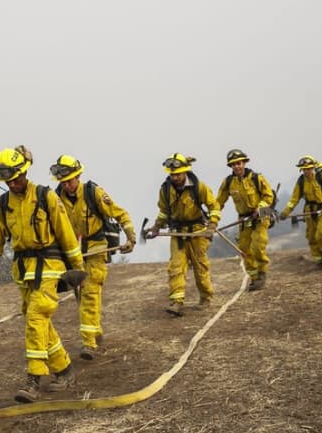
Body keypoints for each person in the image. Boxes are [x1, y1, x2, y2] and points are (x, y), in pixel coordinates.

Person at [0, 145, 85, 403]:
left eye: (16, 178)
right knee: (40, 323)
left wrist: (78, 269)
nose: (13, 183)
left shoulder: (45, 197)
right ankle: (65, 370)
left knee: (36, 318)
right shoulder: (2, 205)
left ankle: (34, 380)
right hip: (24, 272)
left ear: (25, 172)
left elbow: (66, 234)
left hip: (50, 267)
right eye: (7, 180)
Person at [50, 154, 136, 359]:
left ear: (78, 176)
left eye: (71, 180)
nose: (68, 185)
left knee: (90, 290)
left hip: (96, 246)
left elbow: (120, 214)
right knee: (79, 293)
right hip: (72, 250)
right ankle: (94, 329)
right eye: (64, 181)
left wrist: (130, 236)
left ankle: (88, 343)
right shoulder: (55, 198)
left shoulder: (94, 193)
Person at [142, 153, 221, 316]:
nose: (175, 177)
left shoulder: (199, 187)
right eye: (172, 174)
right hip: (177, 234)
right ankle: (177, 302)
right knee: (176, 267)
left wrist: (212, 226)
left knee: (200, 267)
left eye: (178, 174)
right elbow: (164, 212)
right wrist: (156, 227)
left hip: (198, 233)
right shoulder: (165, 190)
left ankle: (206, 297)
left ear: (185, 172)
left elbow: (214, 207)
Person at [215, 149, 276, 291]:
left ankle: (262, 272)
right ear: (230, 166)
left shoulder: (256, 178)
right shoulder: (228, 182)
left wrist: (260, 208)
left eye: (239, 163)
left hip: (261, 215)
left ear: (244, 163)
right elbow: (219, 201)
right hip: (244, 219)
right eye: (233, 164)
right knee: (244, 248)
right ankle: (254, 277)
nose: (237, 166)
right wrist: (213, 215)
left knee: (257, 245)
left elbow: (268, 197)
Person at [279, 155, 322, 266]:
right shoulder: (301, 181)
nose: (306, 171)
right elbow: (294, 199)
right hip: (310, 210)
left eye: (308, 168)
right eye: (304, 169)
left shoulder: (321, 178)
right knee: (311, 236)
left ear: (313, 168)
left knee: (321, 234)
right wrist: (285, 212)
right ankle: (318, 259)